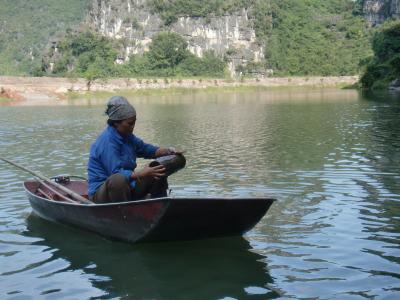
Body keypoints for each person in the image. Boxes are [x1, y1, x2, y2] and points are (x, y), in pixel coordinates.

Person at [88, 96, 181, 203]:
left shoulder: (128, 136)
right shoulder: (106, 142)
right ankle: (124, 214)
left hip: (127, 187)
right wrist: (141, 174)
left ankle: (160, 204)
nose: (133, 127)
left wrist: (169, 151)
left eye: (134, 122)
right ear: (116, 123)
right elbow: (116, 173)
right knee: (117, 179)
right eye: (129, 124)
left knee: (157, 170)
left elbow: (146, 149)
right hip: (103, 194)